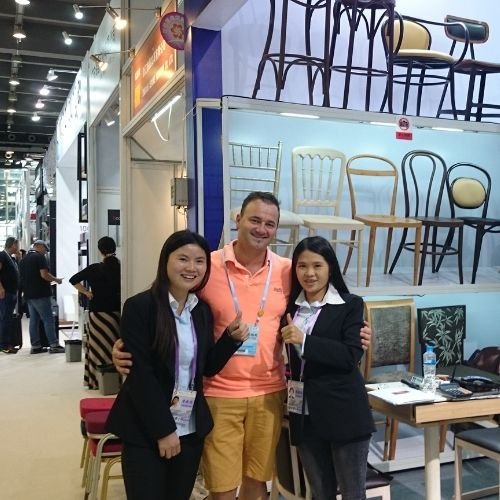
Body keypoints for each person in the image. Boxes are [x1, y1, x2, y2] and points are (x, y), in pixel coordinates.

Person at [113, 192, 372, 500]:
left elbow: (321, 305)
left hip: (269, 392)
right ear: (238, 219)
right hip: (219, 393)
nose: (262, 229)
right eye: (255, 220)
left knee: (256, 484)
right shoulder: (207, 265)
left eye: (270, 223)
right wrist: (126, 345)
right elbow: (166, 306)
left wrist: (358, 333)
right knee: (222, 489)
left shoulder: (288, 270)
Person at [105, 230, 248, 500]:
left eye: (199, 261)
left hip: (190, 428)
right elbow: (140, 375)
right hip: (147, 428)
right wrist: (164, 430)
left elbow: (206, 368)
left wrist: (231, 339)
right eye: (183, 259)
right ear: (166, 261)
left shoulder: (200, 310)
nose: (191, 268)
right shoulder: (140, 307)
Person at [281, 236, 375, 499]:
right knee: (320, 492)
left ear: (330, 267)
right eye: (302, 266)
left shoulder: (350, 305)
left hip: (343, 412)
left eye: (317, 266)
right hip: (303, 412)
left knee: (352, 493)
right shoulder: (290, 307)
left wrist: (305, 340)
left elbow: (349, 355)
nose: (309, 273)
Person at [69, 236, 121, 389]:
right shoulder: (119, 267)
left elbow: (73, 279)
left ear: (100, 250)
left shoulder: (94, 268)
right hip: (115, 312)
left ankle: (95, 380)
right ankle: (115, 380)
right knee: (114, 346)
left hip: (97, 313)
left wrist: (86, 292)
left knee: (97, 347)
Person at [19, 240, 65, 354]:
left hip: (28, 295)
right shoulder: (39, 257)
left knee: (34, 320)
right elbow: (44, 275)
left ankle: (36, 346)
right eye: (45, 249)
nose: (45, 252)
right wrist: (56, 280)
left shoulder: (24, 259)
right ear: (39, 246)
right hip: (40, 294)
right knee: (48, 319)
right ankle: (54, 345)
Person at [0, 237, 20, 354]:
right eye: (17, 245)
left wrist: (19, 258)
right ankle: (4, 345)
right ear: (13, 245)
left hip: (11, 292)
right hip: (5, 293)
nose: (18, 247)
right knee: (5, 319)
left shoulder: (11, 258)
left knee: (6, 318)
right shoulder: (2, 255)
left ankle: (6, 343)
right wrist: (1, 288)